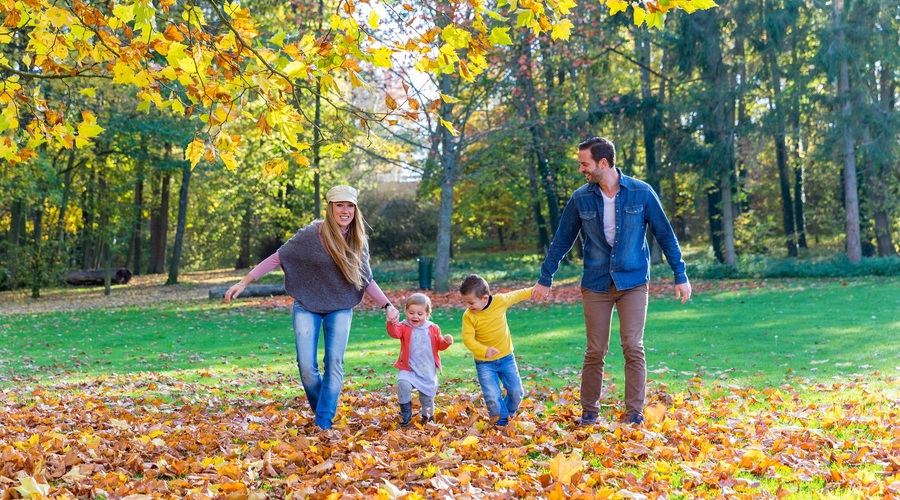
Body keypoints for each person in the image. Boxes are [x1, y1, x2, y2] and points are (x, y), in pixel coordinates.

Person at [532, 136, 691, 427]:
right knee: (595, 350)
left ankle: (634, 415)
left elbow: (665, 235)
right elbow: (562, 239)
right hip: (596, 282)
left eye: (585, 164)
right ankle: (589, 413)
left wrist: (680, 274)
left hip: (632, 280)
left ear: (603, 163)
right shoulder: (581, 197)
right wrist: (546, 277)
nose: (582, 169)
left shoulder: (641, 193)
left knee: (633, 346)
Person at [224, 185, 399, 430]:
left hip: (340, 305)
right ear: (330, 208)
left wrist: (387, 305)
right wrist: (244, 282)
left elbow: (365, 277)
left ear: (355, 209)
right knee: (306, 367)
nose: (345, 210)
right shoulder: (311, 234)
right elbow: (279, 256)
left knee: (334, 361)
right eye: (339, 205)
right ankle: (324, 413)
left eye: (349, 206)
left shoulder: (358, 238)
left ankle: (323, 424)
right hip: (307, 305)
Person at [459, 274, 533, 427]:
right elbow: (468, 339)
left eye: (471, 302)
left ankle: (508, 413)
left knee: (516, 393)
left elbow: (518, 294)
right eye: (466, 302)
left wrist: (536, 290)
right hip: (484, 363)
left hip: (506, 358)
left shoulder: (500, 301)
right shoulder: (469, 316)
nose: (468, 306)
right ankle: (501, 423)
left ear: (485, 298)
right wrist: (484, 350)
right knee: (492, 395)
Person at [386, 293, 453, 427]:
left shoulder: (432, 328)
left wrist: (446, 342)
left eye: (420, 314)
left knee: (426, 396)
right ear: (406, 312)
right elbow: (394, 333)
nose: (415, 316)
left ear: (427, 314)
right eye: (411, 313)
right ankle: (405, 414)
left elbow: (439, 344)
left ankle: (427, 416)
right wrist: (390, 321)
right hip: (409, 369)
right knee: (403, 385)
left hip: (426, 369)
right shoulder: (404, 326)